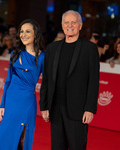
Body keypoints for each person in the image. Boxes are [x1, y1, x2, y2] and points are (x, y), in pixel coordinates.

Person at [40, 10, 99, 150]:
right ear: (62, 25)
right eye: (66, 22)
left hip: (78, 111)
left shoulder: (89, 48)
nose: (70, 25)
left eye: (73, 22)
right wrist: (44, 106)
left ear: (80, 25)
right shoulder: (52, 49)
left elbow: (93, 81)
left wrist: (89, 109)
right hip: (55, 109)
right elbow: (46, 79)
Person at [0, 19, 45, 150]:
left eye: (28, 31)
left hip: (27, 102)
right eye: (21, 31)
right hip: (11, 101)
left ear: (36, 34)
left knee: (22, 140)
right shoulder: (15, 53)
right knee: (2, 139)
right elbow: (8, 80)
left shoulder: (42, 57)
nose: (23, 34)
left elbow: (47, 83)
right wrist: (2, 105)